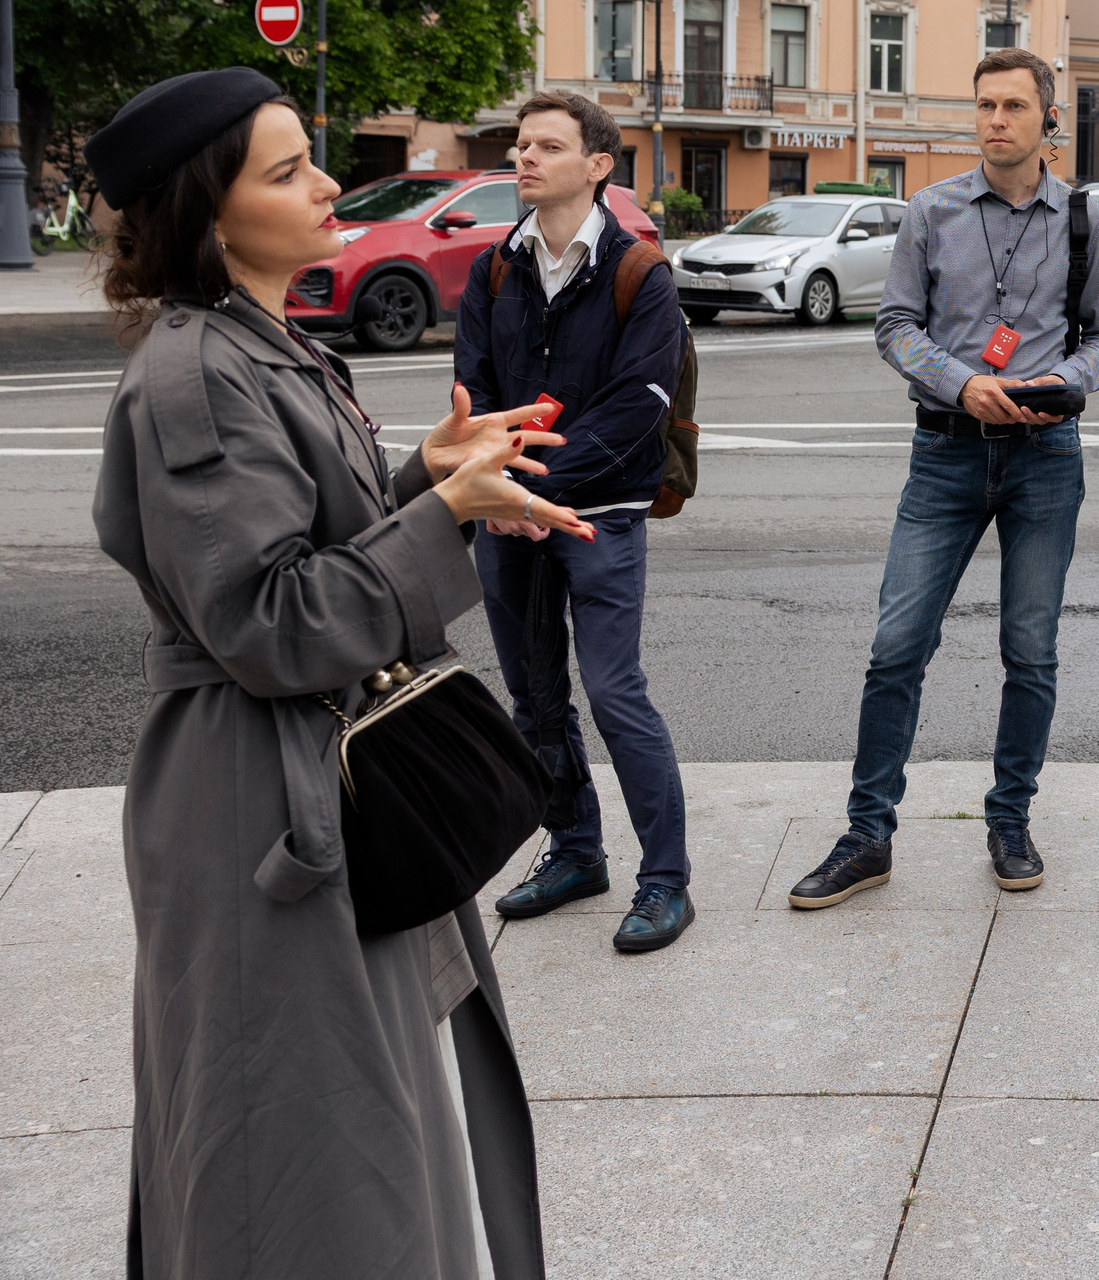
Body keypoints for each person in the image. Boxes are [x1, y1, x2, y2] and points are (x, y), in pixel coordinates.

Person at [89, 67, 590, 1278]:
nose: (326, 184)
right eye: (285, 170)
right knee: (298, 1164)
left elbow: (306, 554)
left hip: (306, 784)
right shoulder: (198, 374)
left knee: (356, 1136)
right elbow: (266, 621)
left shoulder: (256, 342)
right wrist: (444, 519)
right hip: (263, 808)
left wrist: (425, 478)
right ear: (211, 216)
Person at [787, 48, 1099, 905]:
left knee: (1030, 650)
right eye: (984, 105)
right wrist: (963, 384)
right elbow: (895, 324)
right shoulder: (931, 211)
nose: (995, 120)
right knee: (897, 645)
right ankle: (868, 833)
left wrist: (1069, 384)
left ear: (1048, 117)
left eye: (1013, 105)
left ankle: (1010, 818)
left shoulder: (1083, 219)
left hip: (1046, 458)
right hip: (943, 452)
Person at [458, 90, 696, 952]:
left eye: (546, 146)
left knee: (612, 691)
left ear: (598, 165)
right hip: (508, 514)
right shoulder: (494, 270)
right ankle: (575, 848)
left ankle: (666, 880)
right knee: (533, 697)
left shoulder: (641, 274)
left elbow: (637, 406)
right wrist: (505, 491)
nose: (523, 157)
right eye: (520, 145)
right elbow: (475, 395)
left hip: (599, 516)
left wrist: (538, 488)